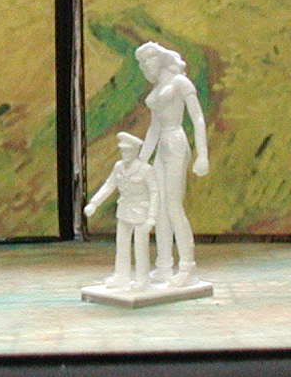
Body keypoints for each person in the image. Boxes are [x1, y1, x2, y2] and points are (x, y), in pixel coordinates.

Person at [135, 41, 210, 282]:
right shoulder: (158, 89)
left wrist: (202, 155)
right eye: (143, 61)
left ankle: (187, 266)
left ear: (160, 58)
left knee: (174, 206)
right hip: (162, 147)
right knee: (160, 209)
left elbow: (198, 119)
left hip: (176, 142)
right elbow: (154, 128)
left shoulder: (180, 82)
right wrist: (141, 160)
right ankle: (164, 265)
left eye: (149, 58)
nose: (146, 64)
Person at [84, 131, 160, 292]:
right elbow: (109, 185)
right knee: (122, 245)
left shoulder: (146, 169)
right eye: (123, 151)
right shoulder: (118, 167)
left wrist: (152, 217)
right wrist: (94, 203)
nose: (125, 154)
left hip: (141, 212)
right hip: (124, 211)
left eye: (128, 151)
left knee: (140, 247)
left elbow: (155, 192)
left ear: (135, 151)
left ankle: (142, 279)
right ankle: (121, 276)